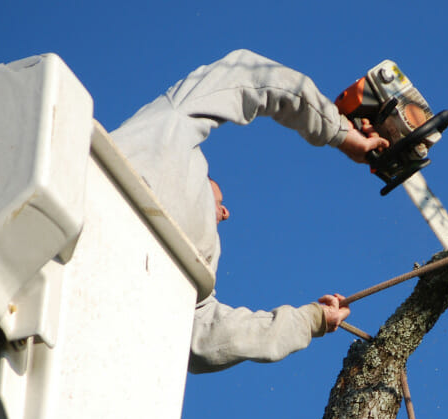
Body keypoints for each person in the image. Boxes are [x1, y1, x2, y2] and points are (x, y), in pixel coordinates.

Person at [111, 49, 388, 374]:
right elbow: (248, 76)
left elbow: (207, 341)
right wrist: (340, 133)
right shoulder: (168, 133)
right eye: (219, 196)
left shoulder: (196, 279)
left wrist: (310, 319)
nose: (226, 213)